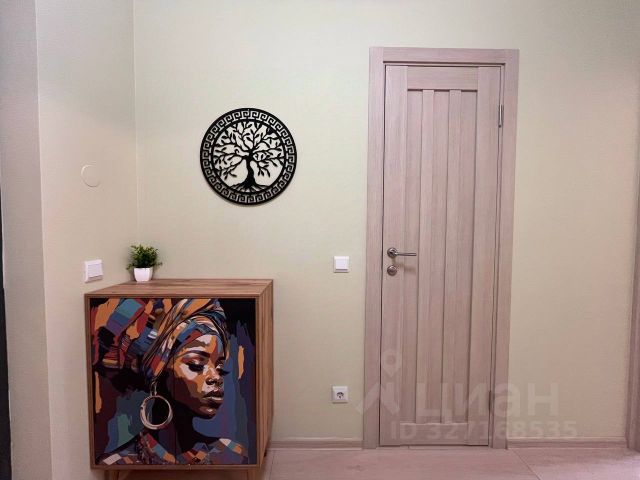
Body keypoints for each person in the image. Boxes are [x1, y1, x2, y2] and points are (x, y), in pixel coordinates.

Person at [96, 298, 248, 465]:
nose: (216, 377)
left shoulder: (231, 455)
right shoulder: (118, 463)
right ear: (158, 372)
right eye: (196, 365)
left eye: (220, 368)